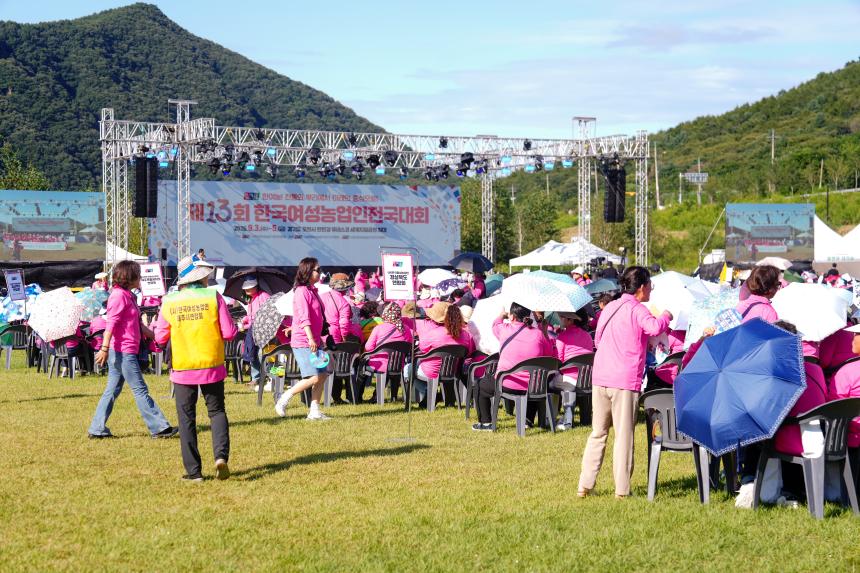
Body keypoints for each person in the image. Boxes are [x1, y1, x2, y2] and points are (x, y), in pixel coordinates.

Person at [577, 266, 671, 498]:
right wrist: (667, 315)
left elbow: (598, 338)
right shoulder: (637, 309)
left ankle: (585, 485)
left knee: (597, 433)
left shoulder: (610, 307)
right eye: (649, 285)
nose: (651, 289)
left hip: (601, 377)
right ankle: (621, 490)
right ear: (641, 287)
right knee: (624, 436)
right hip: (624, 380)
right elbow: (654, 327)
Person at [153, 255, 238, 482]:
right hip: (211, 364)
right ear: (202, 278)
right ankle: (221, 457)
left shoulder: (170, 301)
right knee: (217, 412)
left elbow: (160, 336)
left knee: (186, 419)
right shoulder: (213, 297)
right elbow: (229, 332)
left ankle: (194, 472)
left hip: (183, 367)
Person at [88, 261, 177, 440]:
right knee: (140, 389)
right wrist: (104, 348)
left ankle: (97, 429)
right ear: (130, 277)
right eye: (138, 275)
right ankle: (159, 428)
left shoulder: (128, 296)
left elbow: (138, 325)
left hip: (123, 350)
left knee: (111, 391)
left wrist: (159, 338)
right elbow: (110, 324)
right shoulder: (118, 296)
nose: (141, 279)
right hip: (122, 351)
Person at [473, 302, 555, 430]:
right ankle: (527, 421)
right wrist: (544, 332)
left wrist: (501, 315)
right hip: (532, 386)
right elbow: (549, 353)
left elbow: (495, 324)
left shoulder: (504, 329)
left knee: (479, 385)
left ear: (511, 317)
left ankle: (486, 423)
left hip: (506, 384)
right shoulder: (538, 334)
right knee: (532, 378)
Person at [275, 258, 330, 420]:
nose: (320, 273)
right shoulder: (301, 291)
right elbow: (305, 317)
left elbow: (307, 316)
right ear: (307, 272)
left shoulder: (312, 290)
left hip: (314, 340)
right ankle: (283, 398)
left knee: (323, 374)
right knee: (313, 376)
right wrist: (311, 338)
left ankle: (314, 411)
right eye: (317, 270)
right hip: (305, 342)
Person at [409, 302, 474, 407]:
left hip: (431, 372)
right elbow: (469, 351)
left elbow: (422, 349)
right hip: (453, 371)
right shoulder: (465, 334)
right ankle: (432, 396)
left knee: (408, 369)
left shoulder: (432, 334)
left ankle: (428, 395)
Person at [359, 302, 414, 402]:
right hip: (398, 365)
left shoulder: (379, 328)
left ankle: (358, 397)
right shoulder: (406, 329)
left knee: (362, 367)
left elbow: (368, 347)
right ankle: (390, 396)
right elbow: (409, 347)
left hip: (379, 364)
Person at [552, 310, 595, 430]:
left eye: (562, 317)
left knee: (551, 383)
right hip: (586, 379)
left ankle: (557, 418)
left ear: (570, 320)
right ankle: (584, 419)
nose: (560, 320)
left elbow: (559, 360)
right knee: (566, 383)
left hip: (569, 379)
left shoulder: (562, 337)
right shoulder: (587, 335)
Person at [323, 273, 359, 402]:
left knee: (325, 367)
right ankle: (337, 397)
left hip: (321, 335)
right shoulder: (343, 302)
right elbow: (344, 324)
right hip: (335, 336)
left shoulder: (322, 297)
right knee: (339, 367)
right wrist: (345, 338)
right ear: (344, 287)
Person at [239, 276, 270, 386]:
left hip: (263, 330)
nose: (247, 290)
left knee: (264, 354)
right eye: (246, 287)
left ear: (256, 286)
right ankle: (256, 378)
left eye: (250, 287)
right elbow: (250, 316)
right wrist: (244, 321)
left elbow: (269, 313)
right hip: (252, 331)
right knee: (253, 354)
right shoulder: (251, 299)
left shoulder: (264, 296)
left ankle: (271, 377)